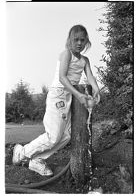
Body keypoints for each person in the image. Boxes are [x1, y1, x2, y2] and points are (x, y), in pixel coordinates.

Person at [12, 24, 100, 176]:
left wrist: (96, 89)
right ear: (70, 40)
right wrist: (79, 95)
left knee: (67, 135)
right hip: (58, 96)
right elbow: (62, 77)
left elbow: (90, 76)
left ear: (87, 41)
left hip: (69, 97)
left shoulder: (85, 60)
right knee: (53, 136)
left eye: (82, 40)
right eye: (76, 39)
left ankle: (37, 160)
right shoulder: (66, 54)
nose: (79, 43)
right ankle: (22, 152)